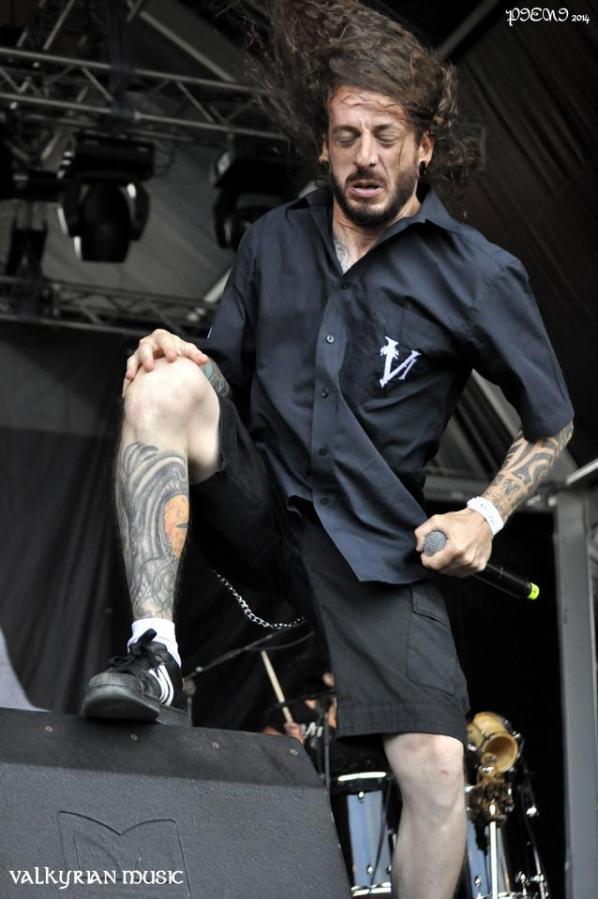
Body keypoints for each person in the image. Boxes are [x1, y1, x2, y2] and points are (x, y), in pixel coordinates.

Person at [82, 3, 574, 898]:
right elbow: (221, 379)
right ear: (323, 143)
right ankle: (151, 647)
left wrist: (486, 512)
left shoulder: (477, 272)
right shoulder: (273, 240)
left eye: (386, 136)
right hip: (260, 501)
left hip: (376, 548)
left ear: (424, 145)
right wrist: (174, 352)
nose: (366, 156)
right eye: (348, 135)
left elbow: (553, 423)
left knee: (437, 769)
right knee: (163, 383)